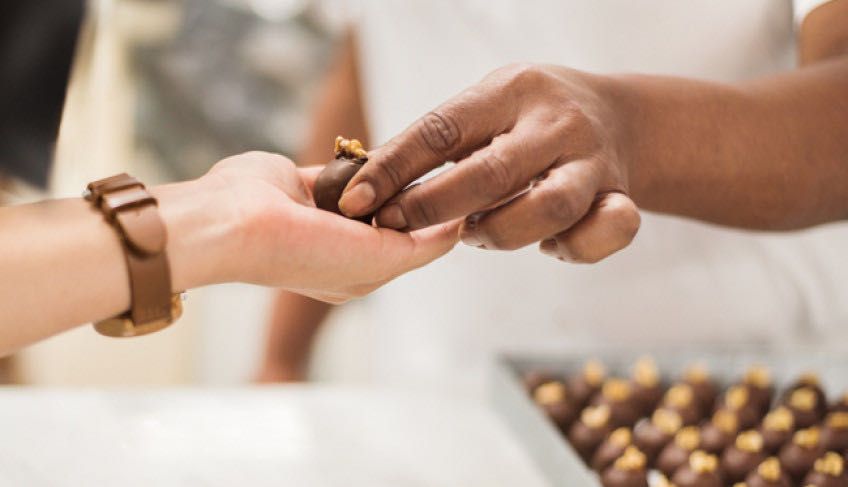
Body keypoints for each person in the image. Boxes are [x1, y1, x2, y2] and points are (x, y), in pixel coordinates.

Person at [259, 0, 848, 387]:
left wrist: (632, 133)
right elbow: (369, 59)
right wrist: (282, 355)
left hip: (720, 387)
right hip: (441, 387)